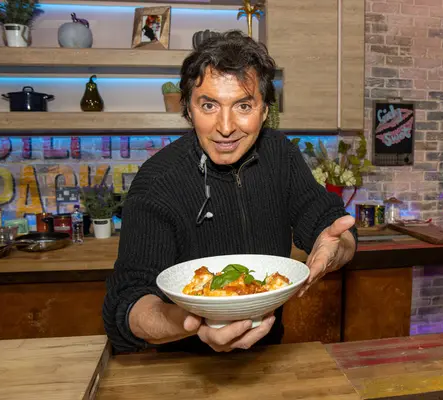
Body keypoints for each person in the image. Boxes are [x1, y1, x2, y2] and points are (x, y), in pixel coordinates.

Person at [102, 30, 358, 354]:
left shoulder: (280, 155)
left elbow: (332, 226)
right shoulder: (156, 181)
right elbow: (127, 309)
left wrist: (334, 249)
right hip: (182, 370)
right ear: (187, 109)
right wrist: (194, 323)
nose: (225, 127)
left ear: (265, 111)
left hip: (271, 360)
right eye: (209, 105)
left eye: (243, 105)